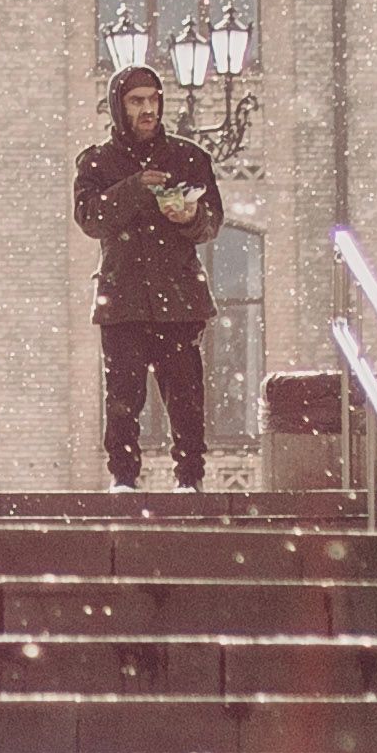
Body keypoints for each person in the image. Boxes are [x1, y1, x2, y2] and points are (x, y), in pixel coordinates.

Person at [73, 62, 228, 488]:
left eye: (153, 100)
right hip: (122, 298)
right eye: (137, 101)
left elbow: (211, 222)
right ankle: (123, 476)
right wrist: (136, 187)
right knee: (123, 397)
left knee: (185, 395)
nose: (147, 110)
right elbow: (90, 218)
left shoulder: (188, 158)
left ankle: (190, 476)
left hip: (179, 296)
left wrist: (190, 214)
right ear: (118, 106)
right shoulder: (97, 163)